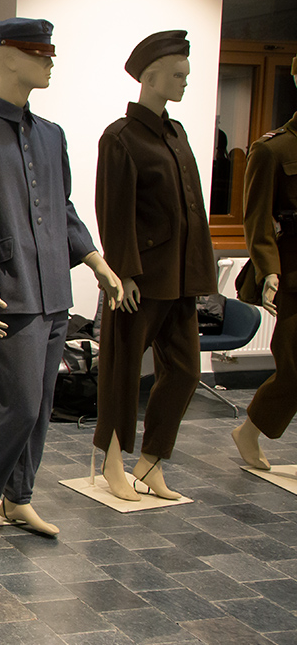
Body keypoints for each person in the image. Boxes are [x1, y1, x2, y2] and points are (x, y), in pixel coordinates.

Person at [0, 18, 122, 537]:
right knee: (15, 405)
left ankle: (18, 498)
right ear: (4, 58)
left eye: (48, 55)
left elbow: (62, 207)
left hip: (52, 291)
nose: (48, 63)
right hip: (5, 291)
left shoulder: (51, 135)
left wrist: (95, 259)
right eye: (38, 55)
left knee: (40, 406)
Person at [93, 31, 216, 501]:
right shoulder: (120, 138)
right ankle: (112, 463)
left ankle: (151, 462)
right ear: (149, 76)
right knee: (122, 372)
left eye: (186, 75)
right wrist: (122, 272)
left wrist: (199, 270)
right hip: (141, 279)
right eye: (178, 75)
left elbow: (192, 208)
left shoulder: (176, 134)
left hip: (181, 278)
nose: (184, 82)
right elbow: (113, 210)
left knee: (185, 371)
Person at [233, 55, 297, 469]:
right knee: (293, 368)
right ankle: (250, 430)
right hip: (291, 275)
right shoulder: (272, 148)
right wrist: (268, 270)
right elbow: (256, 219)